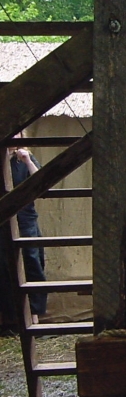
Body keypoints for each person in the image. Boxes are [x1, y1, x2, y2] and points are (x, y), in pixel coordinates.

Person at [0, 135, 47, 327]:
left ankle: (34, 313)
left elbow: (42, 182)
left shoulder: (25, 157)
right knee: (4, 268)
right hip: (3, 223)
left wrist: (27, 160)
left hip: (26, 221)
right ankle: (10, 317)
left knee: (32, 264)